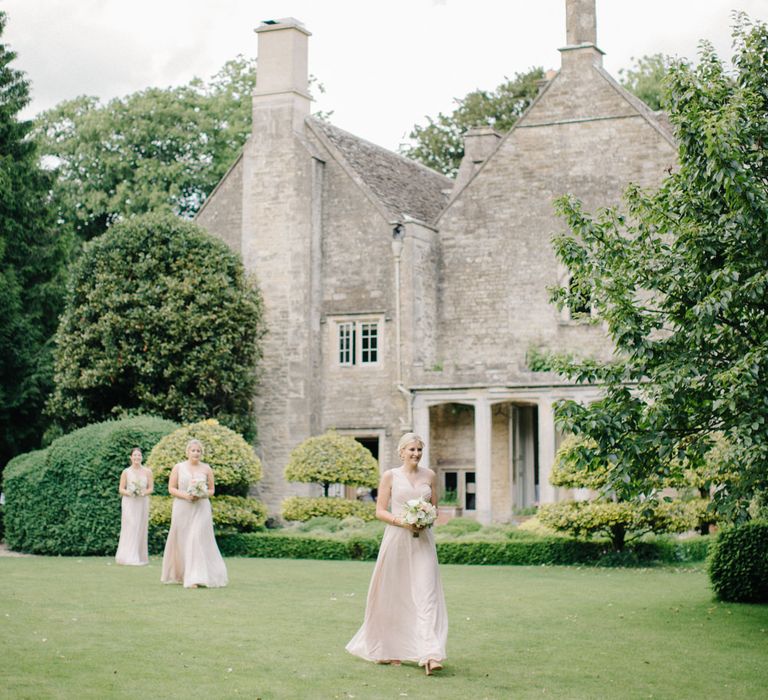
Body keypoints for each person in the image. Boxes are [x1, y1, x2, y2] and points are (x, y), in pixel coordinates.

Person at [346, 433, 447, 675]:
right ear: (401, 452)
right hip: (397, 541)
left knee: (427, 595)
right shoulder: (390, 476)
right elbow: (379, 511)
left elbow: (434, 509)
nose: (416, 454)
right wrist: (403, 521)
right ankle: (390, 649)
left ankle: (430, 654)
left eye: (419, 450)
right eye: (411, 449)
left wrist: (426, 520)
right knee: (394, 594)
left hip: (422, 542)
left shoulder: (430, 476)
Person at [160, 439, 228, 588]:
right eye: (193, 450)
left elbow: (211, 490)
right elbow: (171, 488)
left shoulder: (206, 468)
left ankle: (195, 577)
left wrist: (201, 494)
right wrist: (186, 496)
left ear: (201, 453)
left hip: (201, 507)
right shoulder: (178, 467)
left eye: (198, 451)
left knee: (196, 538)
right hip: (182, 507)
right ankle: (183, 573)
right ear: (187, 452)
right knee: (183, 540)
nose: (196, 453)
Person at [115, 447, 153, 565]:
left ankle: (139, 555)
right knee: (131, 526)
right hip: (129, 502)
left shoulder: (147, 471)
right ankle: (128, 556)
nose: (137, 457)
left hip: (142, 502)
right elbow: (121, 489)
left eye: (139, 455)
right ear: (131, 457)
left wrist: (142, 493)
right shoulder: (126, 472)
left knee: (140, 526)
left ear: (142, 457)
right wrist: (129, 493)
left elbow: (151, 488)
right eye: (135, 455)